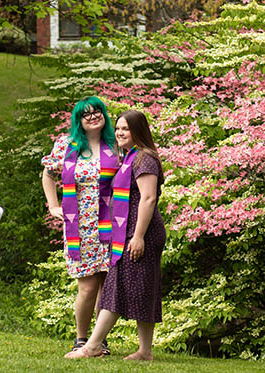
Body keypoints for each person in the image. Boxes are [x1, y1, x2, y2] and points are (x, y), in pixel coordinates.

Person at [64, 109, 166, 361]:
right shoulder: (132, 156)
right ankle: (144, 351)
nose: (119, 133)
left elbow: (149, 197)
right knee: (141, 288)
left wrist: (139, 236)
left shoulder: (144, 159)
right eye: (118, 128)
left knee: (116, 286)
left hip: (140, 231)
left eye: (125, 129)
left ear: (138, 131)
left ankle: (93, 345)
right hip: (130, 230)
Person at [41, 96, 118, 354]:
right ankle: (82, 339)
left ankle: (99, 341)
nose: (93, 116)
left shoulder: (115, 145)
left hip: (110, 225)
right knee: (87, 286)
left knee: (106, 284)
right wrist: (53, 205)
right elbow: (48, 173)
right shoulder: (68, 145)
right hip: (80, 226)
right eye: (86, 114)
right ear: (79, 120)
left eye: (97, 111)